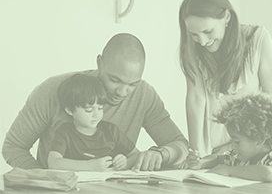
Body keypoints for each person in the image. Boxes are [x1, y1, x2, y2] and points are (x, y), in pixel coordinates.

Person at [2, 33, 189, 171]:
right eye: (115, 80)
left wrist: (161, 154)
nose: (122, 92)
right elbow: (13, 147)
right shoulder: (53, 90)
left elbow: (179, 144)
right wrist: (46, 181)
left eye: (132, 84)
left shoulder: (144, 95)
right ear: (100, 62)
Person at [178, 0, 272, 166]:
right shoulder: (193, 50)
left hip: (254, 150)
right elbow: (196, 99)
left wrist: (263, 149)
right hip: (212, 151)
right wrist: (195, 152)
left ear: (226, 17)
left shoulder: (258, 39)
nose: (202, 42)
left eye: (207, 31)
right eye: (194, 34)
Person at [48, 74, 139, 171]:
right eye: (89, 110)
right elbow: (53, 162)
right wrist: (89, 166)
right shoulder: (65, 133)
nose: (96, 115)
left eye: (100, 108)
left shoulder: (111, 130)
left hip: (110, 182)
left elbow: (136, 155)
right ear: (70, 110)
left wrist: (125, 163)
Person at [195, 93, 272, 181]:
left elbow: (268, 174)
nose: (232, 146)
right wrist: (200, 163)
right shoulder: (238, 158)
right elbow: (216, 159)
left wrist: (229, 170)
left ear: (259, 139)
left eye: (237, 141)